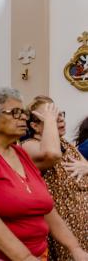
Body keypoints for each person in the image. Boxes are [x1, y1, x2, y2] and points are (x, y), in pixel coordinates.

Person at [0, 87, 88, 261]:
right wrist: (24, 257)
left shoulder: (20, 154)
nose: (24, 117)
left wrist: (75, 248)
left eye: (23, 112)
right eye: (15, 112)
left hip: (37, 252)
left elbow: (45, 209)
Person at [21, 96, 88, 260]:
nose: (60, 119)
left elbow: (85, 165)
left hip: (83, 226)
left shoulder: (66, 144)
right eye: (51, 116)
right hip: (62, 227)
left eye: (60, 114)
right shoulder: (29, 145)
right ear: (35, 126)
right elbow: (51, 155)